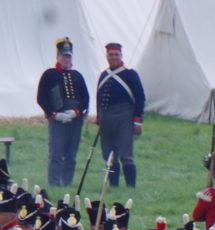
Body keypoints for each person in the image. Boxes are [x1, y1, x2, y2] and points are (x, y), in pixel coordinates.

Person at [37, 38, 91, 186]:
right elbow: (41, 97)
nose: (66, 59)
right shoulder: (49, 74)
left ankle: (67, 182)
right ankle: (54, 183)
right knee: (56, 153)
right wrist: (54, 114)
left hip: (75, 118)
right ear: (58, 57)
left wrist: (76, 112)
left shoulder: (77, 75)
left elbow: (85, 98)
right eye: (63, 56)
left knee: (71, 154)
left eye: (68, 56)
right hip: (57, 119)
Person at [94, 42, 146, 189]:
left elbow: (140, 98)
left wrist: (137, 120)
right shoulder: (103, 75)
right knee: (109, 155)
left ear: (121, 56)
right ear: (107, 56)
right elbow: (99, 98)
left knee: (125, 154)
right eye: (111, 54)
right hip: (106, 118)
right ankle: (114, 185)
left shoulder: (130, 74)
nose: (114, 57)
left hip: (124, 117)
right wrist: (99, 117)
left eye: (116, 54)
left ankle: (131, 186)